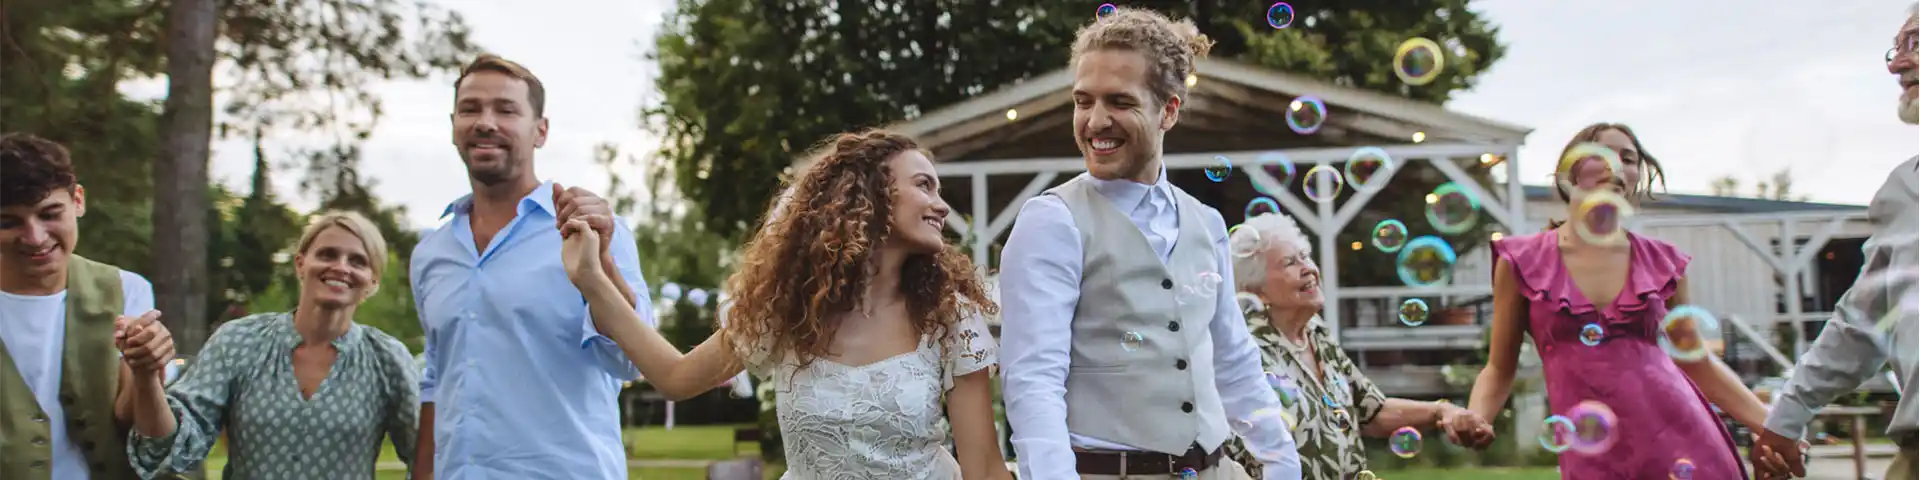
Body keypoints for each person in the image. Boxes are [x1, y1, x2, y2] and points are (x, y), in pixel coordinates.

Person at [561, 129, 1012, 479]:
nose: (941, 205)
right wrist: (592, 279)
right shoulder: (789, 310)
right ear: (870, 196)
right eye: (924, 186)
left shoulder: (948, 318)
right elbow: (676, 377)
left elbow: (986, 471)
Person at [998, 6, 1302, 480]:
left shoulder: (1207, 222)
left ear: (1169, 110)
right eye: (1083, 101)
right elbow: (1033, 379)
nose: (1095, 121)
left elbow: (1233, 359)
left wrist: (1283, 466)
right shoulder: (1052, 221)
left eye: (1119, 102)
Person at [1447, 123, 1771, 479]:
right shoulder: (1521, 260)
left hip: (1683, 442)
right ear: (1570, 170)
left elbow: (1697, 362)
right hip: (1590, 451)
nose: (1617, 165)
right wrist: (1477, 417)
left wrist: (1773, 427)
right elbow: (1499, 367)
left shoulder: (1663, 262)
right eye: (1603, 154)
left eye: (1629, 158)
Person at [411, 54, 654, 479]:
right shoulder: (431, 253)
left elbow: (632, 362)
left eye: (506, 110)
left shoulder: (589, 233)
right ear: (454, 125)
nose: (485, 122)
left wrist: (603, 265)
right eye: (470, 108)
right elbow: (437, 376)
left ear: (540, 131)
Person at [1750, 5, 1920, 480]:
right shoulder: (1903, 190)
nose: (1895, 65)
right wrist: (1788, 412)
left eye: (1916, 43)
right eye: (1898, 47)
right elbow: (1863, 321)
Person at [124, 211, 419, 479]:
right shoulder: (239, 342)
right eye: (328, 254)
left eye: (358, 261)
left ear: (372, 281)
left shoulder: (387, 359)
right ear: (301, 264)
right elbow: (171, 448)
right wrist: (146, 374)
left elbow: (428, 459)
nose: (341, 267)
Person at [1221, 212, 1487, 479]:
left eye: (1305, 256)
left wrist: (1442, 411)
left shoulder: (1316, 333)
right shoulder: (1243, 348)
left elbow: (1371, 411)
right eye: (1290, 262)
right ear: (1257, 290)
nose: (1308, 269)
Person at [0, 133, 173, 480]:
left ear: (77, 200)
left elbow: (128, 420)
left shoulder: (126, 289)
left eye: (49, 214)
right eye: (9, 222)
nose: (34, 237)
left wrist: (146, 371)